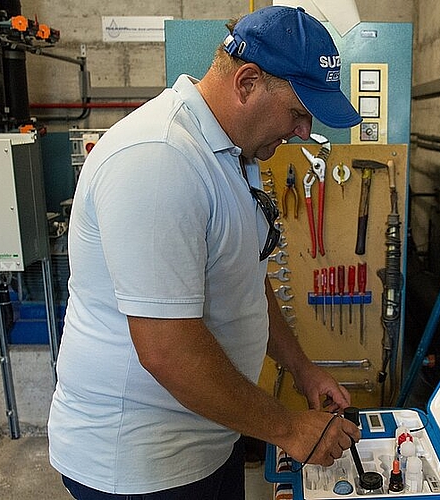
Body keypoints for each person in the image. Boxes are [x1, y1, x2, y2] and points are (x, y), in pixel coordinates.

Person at [48, 6, 363, 499]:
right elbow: (166, 349)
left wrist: (301, 368)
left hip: (208, 437)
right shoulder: (159, 158)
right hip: (140, 465)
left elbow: (248, 281)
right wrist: (287, 428)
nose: (304, 131)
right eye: (298, 112)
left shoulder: (236, 155)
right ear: (247, 83)